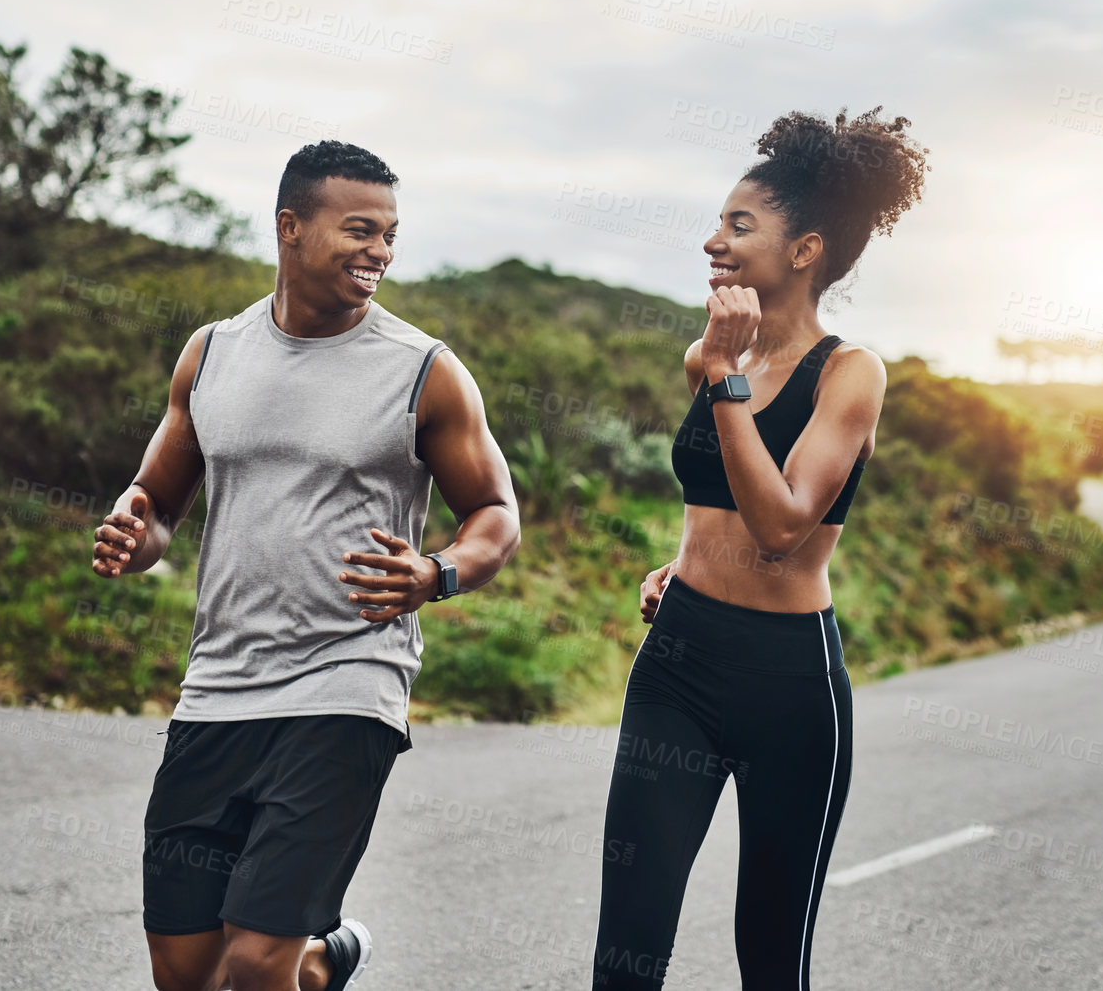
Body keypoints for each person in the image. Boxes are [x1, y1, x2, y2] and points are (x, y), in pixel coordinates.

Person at [92, 140, 521, 991]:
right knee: (187, 973)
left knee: (252, 964)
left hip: (347, 684)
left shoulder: (424, 371)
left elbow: (495, 514)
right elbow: (159, 497)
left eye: (391, 235)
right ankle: (324, 965)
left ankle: (295, 961)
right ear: (290, 226)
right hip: (218, 688)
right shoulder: (212, 353)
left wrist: (438, 573)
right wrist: (138, 534)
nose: (381, 253)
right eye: (359, 230)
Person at [591, 108, 927, 990]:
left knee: (771, 957)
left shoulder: (850, 372)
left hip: (788, 683)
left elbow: (782, 527)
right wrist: (686, 559)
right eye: (718, 221)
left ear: (805, 249)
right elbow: (715, 494)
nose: (715, 241)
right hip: (678, 663)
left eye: (740, 226)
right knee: (626, 946)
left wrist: (728, 375)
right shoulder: (710, 354)